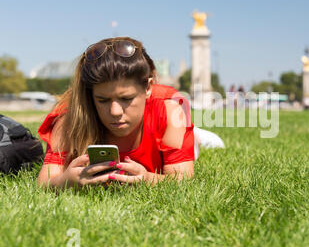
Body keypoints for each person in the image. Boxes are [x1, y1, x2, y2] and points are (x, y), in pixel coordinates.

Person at [37, 37, 196, 189]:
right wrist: (64, 182)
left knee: (191, 144)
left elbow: (182, 180)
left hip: (168, 128)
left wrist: (148, 179)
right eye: (102, 100)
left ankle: (199, 138)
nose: (115, 112)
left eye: (126, 98)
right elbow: (44, 182)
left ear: (148, 87)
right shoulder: (69, 115)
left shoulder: (171, 106)